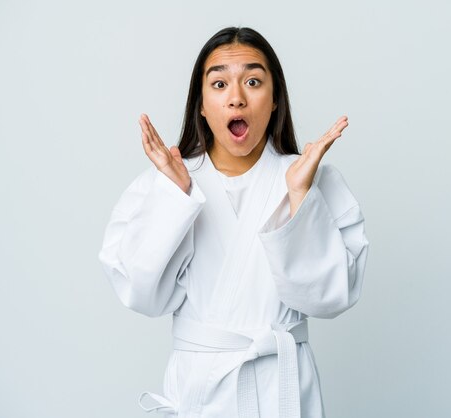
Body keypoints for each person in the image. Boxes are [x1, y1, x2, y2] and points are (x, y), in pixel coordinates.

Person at [99, 26, 369, 418]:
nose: (237, 98)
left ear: (275, 99)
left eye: (254, 81)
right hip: (203, 391)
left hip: (283, 388)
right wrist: (175, 197)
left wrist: (299, 197)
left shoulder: (313, 179)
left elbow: (330, 298)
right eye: (220, 83)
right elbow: (142, 295)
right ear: (202, 105)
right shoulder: (163, 185)